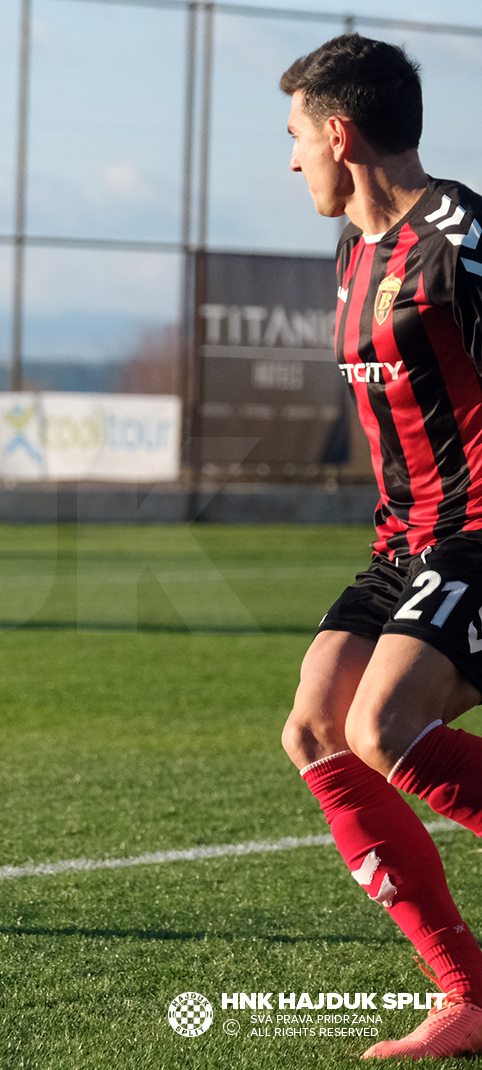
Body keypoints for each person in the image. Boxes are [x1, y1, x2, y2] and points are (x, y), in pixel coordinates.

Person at [277, 34, 482, 1060]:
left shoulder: (463, 236)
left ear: (340, 132)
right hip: (403, 540)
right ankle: (469, 992)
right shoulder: (355, 247)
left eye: (295, 137)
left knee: (385, 721)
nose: (291, 160)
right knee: (316, 728)